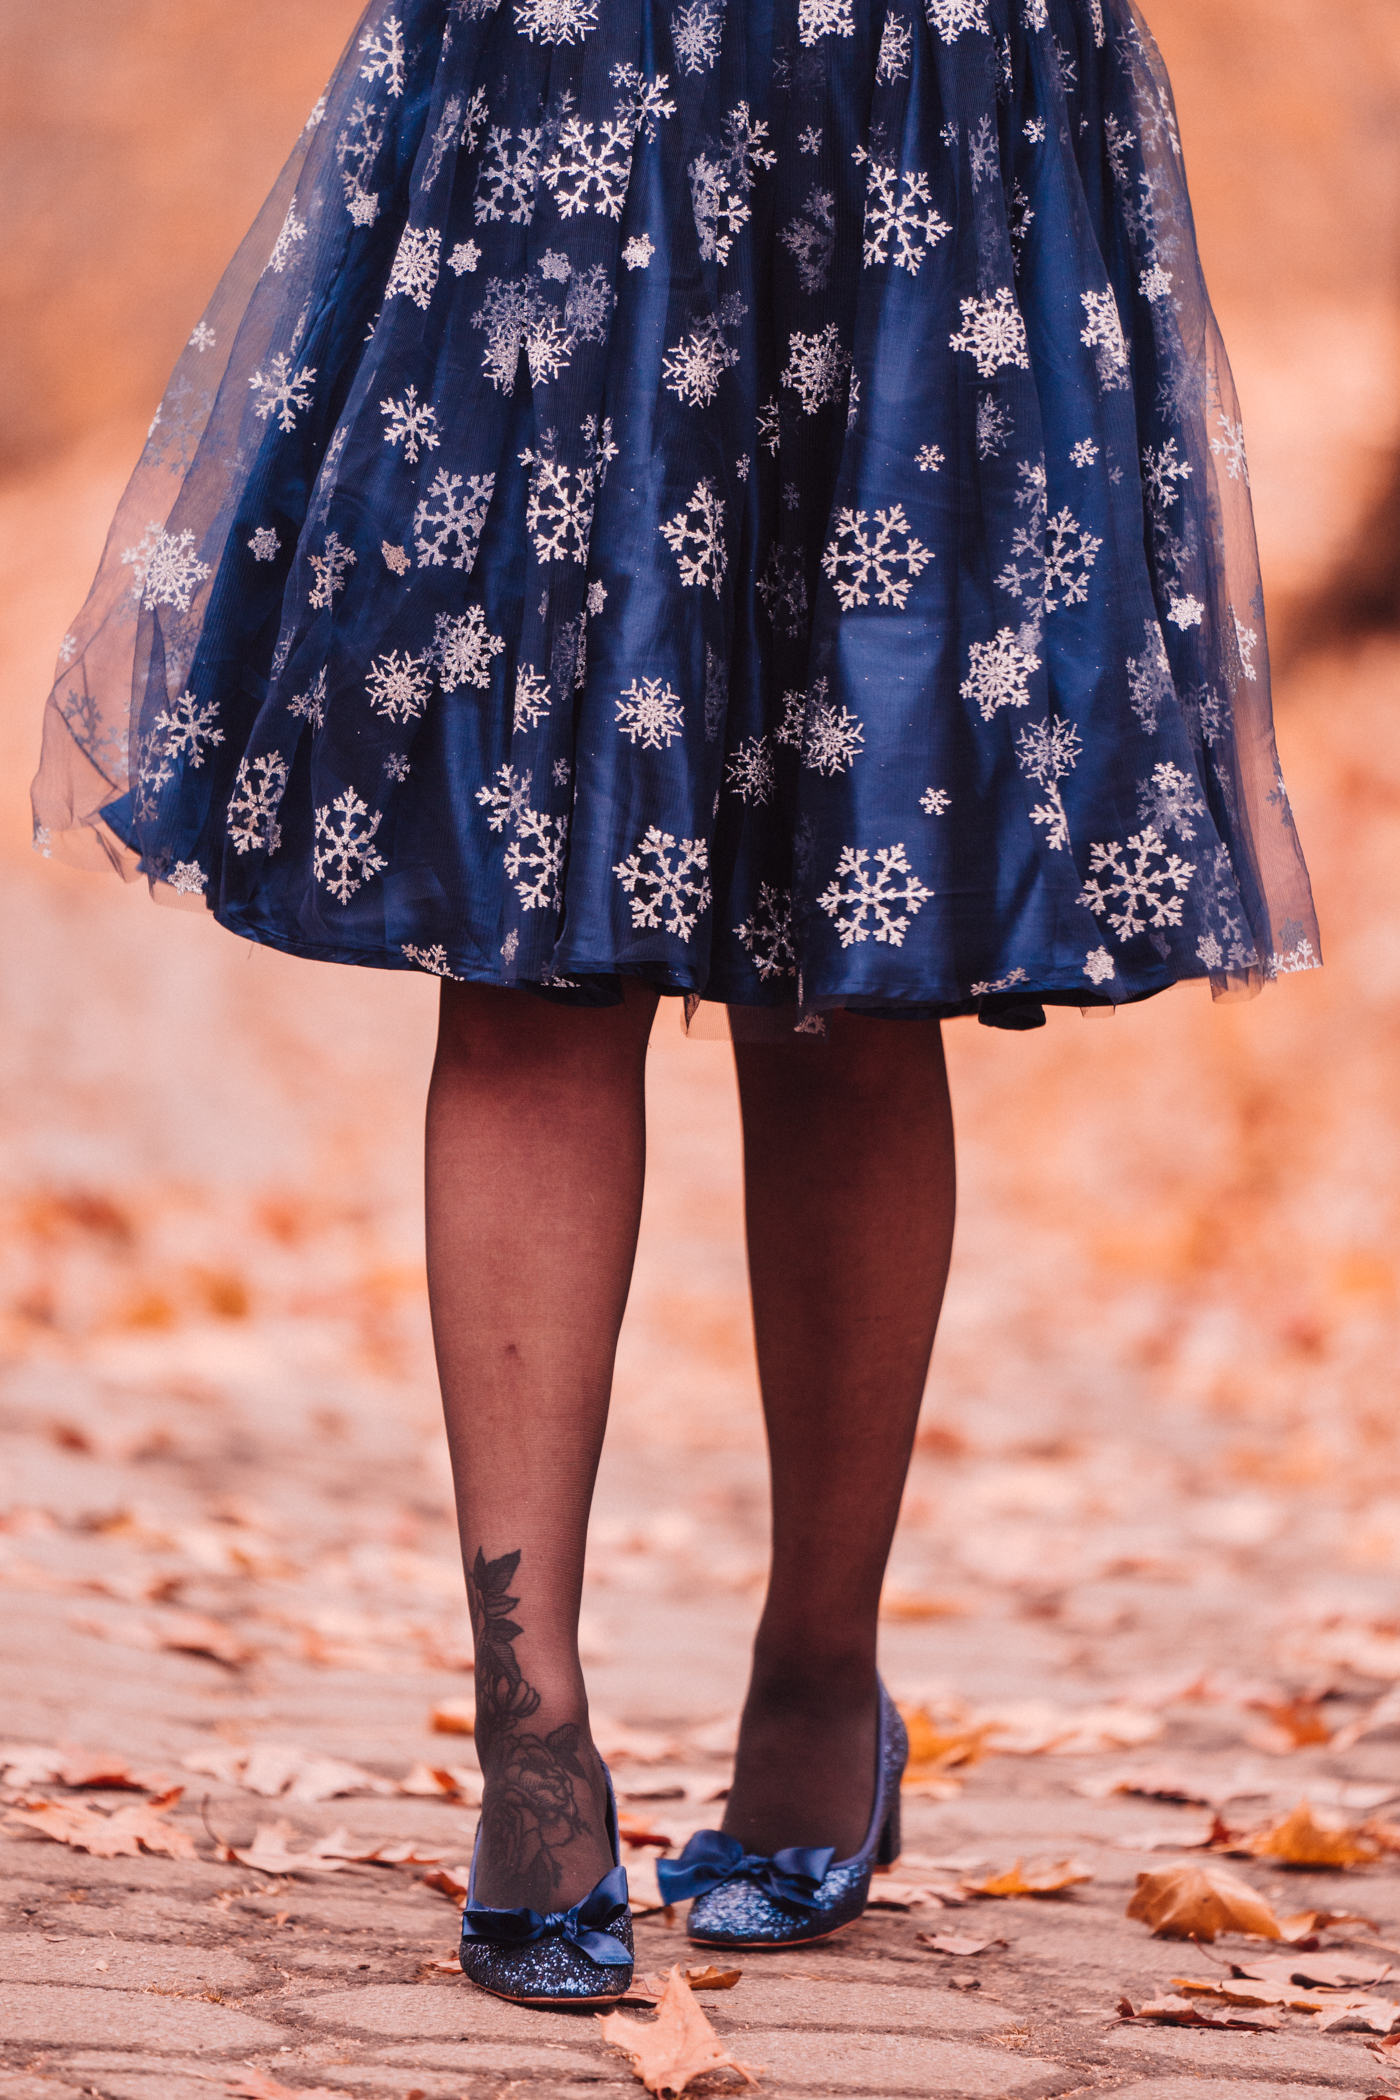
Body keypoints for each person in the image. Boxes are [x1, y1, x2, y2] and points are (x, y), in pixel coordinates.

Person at [31, 0, 1319, 2008]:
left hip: (920, 97)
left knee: (851, 958)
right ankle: (530, 1741)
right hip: (578, 90)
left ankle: (819, 1682)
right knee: (528, 926)